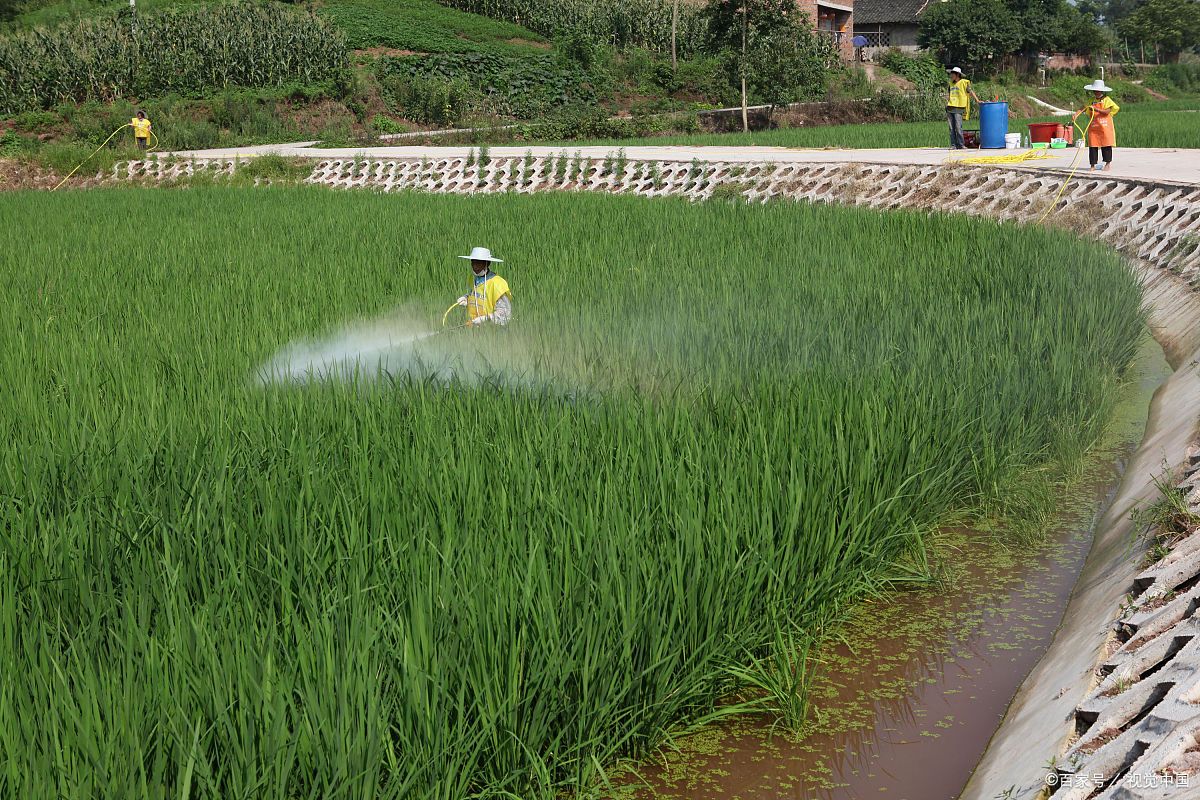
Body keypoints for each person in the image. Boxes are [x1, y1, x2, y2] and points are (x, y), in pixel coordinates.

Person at [456, 246, 512, 326]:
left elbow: (505, 313)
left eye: (479, 263)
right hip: (472, 327)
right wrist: (467, 298)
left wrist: (486, 318)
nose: (475, 266)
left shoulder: (497, 283)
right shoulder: (473, 278)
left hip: (492, 331)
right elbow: (476, 295)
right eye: (473, 262)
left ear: (487, 263)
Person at [1072, 81, 1120, 172]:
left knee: (1106, 145)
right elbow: (1083, 107)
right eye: (1095, 91)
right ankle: (1092, 165)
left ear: (1102, 91)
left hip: (1105, 126)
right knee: (1092, 145)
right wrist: (1076, 114)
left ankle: (1107, 163)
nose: (1096, 92)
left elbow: (1107, 111)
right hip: (1094, 126)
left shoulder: (1107, 99)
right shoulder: (1091, 100)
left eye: (1098, 91)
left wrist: (1096, 108)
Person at [946, 67, 981, 150]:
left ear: (957, 75)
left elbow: (970, 91)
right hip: (950, 108)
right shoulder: (950, 83)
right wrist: (946, 102)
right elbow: (949, 94)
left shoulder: (964, 83)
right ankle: (953, 145)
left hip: (958, 107)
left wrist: (977, 100)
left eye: (952, 74)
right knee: (951, 128)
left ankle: (961, 144)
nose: (951, 75)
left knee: (958, 127)